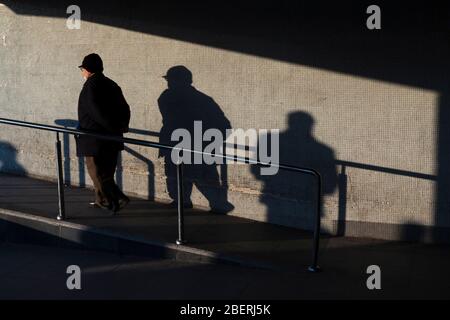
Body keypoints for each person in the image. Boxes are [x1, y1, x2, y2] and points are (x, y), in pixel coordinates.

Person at [75, 53, 131, 213]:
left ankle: (112, 199)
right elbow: (125, 108)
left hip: (95, 138)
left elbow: (95, 112)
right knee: (106, 172)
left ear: (87, 70)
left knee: (97, 172)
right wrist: (121, 127)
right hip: (112, 138)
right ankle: (102, 199)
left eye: (82, 69)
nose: (82, 72)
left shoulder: (90, 86)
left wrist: (110, 128)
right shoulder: (112, 84)